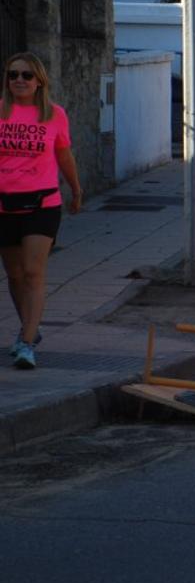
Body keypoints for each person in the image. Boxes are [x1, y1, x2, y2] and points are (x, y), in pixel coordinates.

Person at [1, 53, 81, 370]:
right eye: (13, 74)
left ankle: (26, 342)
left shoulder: (54, 115)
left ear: (39, 82)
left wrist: (76, 190)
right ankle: (30, 328)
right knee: (15, 274)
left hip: (42, 204)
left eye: (26, 75)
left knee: (34, 273)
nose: (19, 80)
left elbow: (64, 155)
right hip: (4, 204)